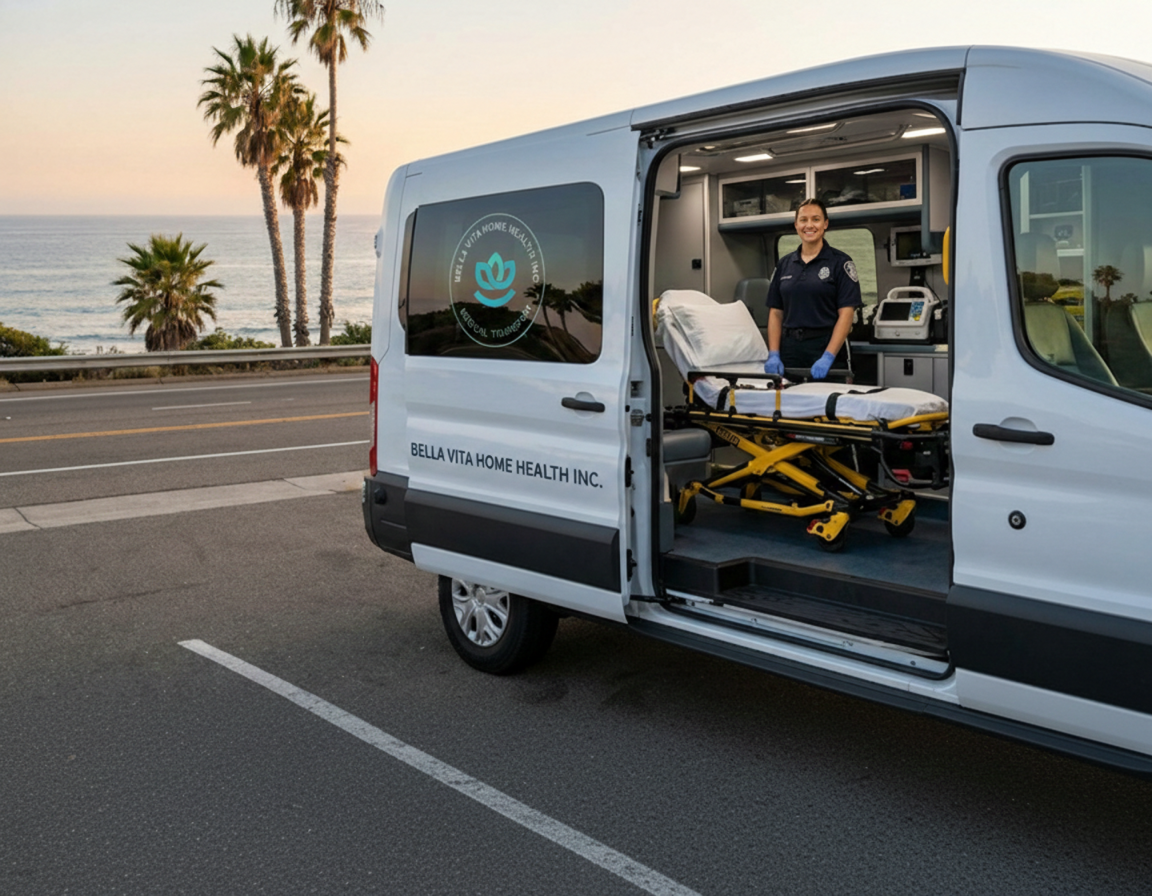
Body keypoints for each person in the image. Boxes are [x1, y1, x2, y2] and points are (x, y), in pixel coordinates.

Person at [763, 198, 861, 380]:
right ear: (796, 225)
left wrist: (828, 356)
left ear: (825, 224)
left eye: (816, 219)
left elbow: (846, 314)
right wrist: (774, 353)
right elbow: (776, 312)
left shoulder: (840, 263)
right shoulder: (784, 264)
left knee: (829, 404)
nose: (809, 225)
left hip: (826, 345)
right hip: (790, 347)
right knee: (790, 404)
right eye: (803, 220)